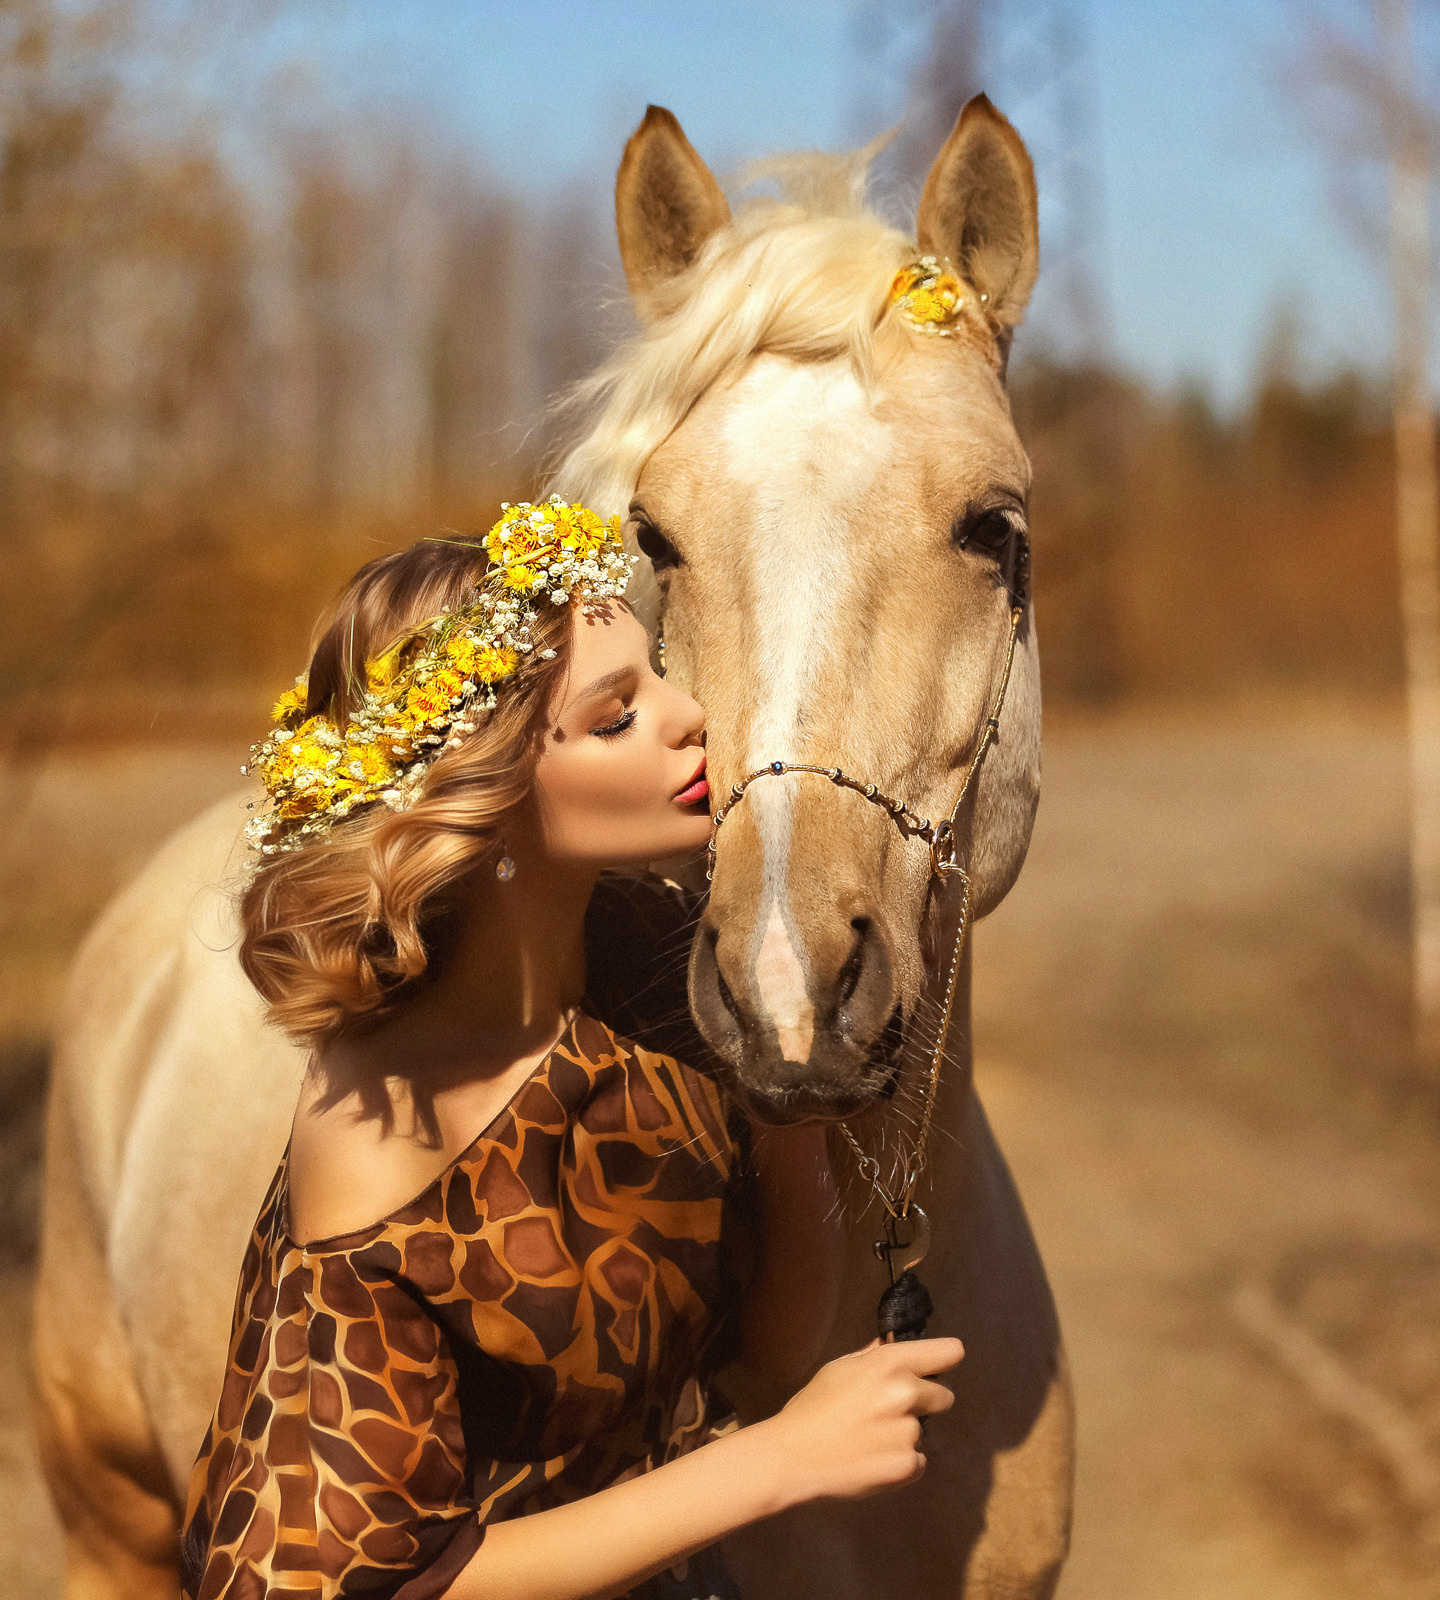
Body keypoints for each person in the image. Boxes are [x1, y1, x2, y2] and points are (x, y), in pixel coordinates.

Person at [178, 499, 965, 1600]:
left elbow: (771, 1349)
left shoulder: (653, 958)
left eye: (656, 678)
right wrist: (780, 1461)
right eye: (615, 717)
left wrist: (787, 1088)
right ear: (487, 795)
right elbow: (379, 1585)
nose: (689, 717)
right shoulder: (386, 1129)